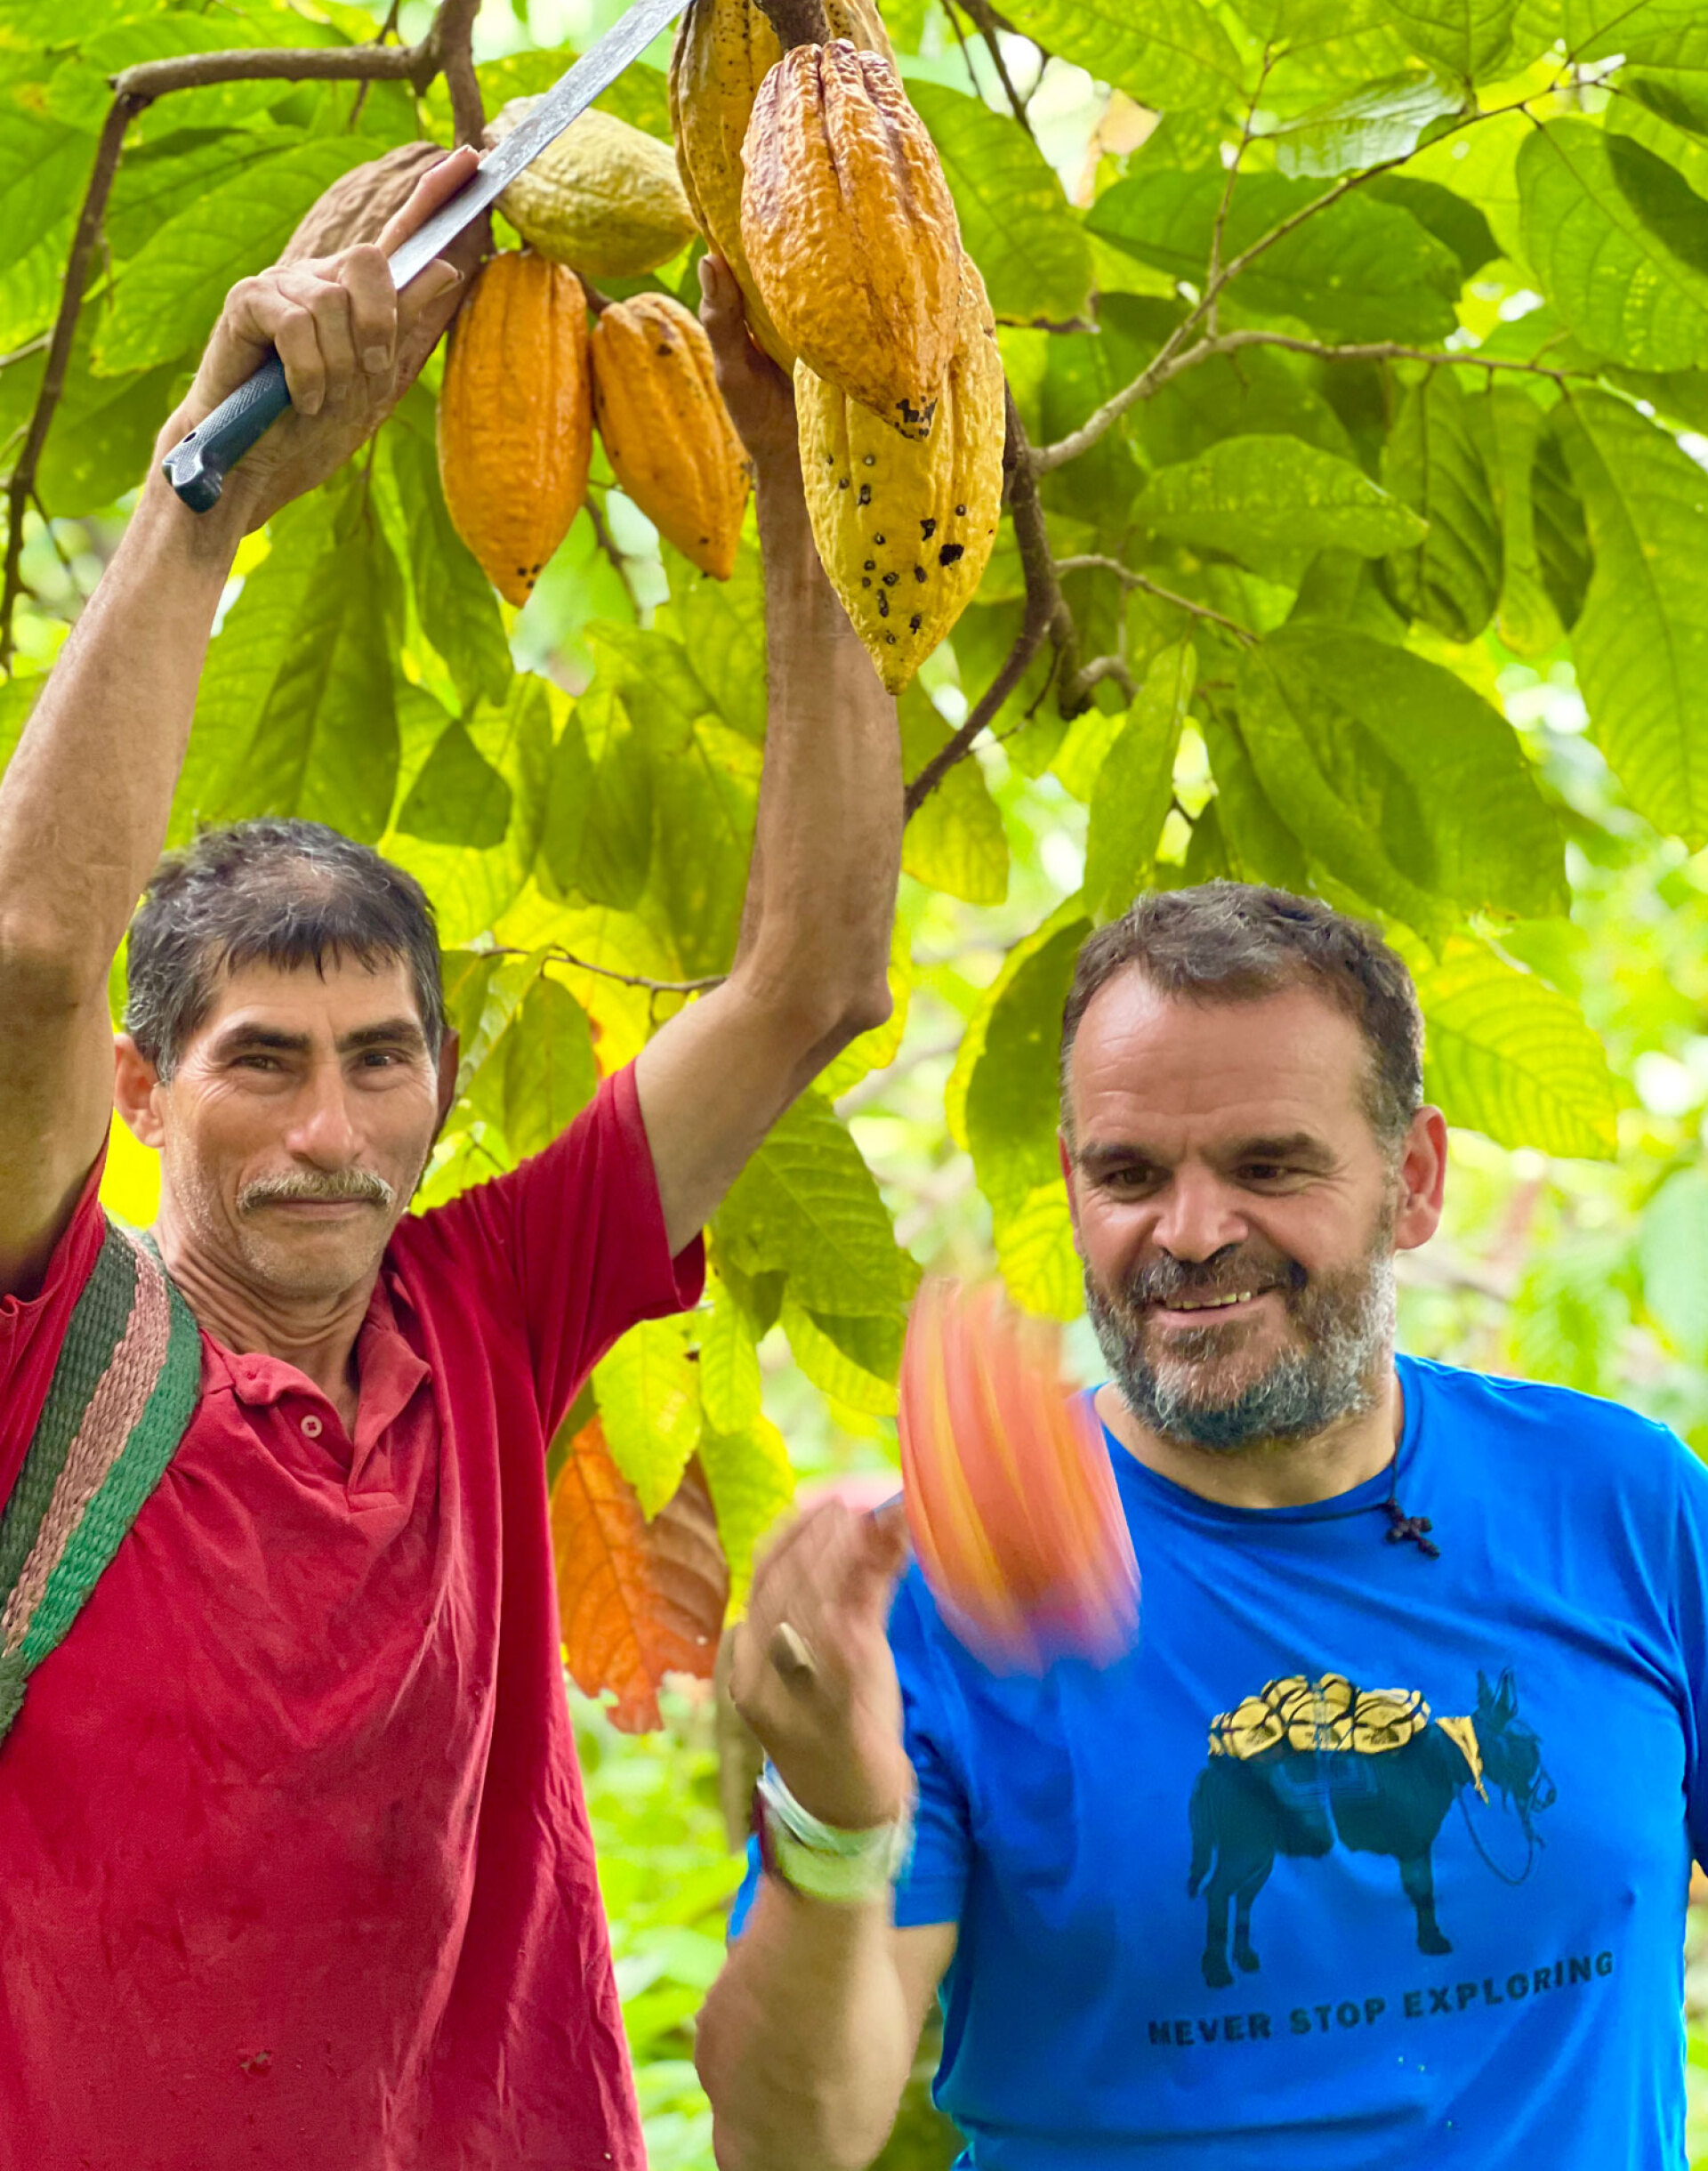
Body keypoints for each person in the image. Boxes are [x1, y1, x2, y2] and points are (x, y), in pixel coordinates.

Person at [0, 149, 902, 2170]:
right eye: (263, 1064)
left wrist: (796, 450)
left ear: (434, 1079)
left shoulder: (489, 1300)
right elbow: (36, 952)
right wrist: (209, 489)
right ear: (138, 1092)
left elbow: (817, 971)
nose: (330, 1131)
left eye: (380, 1059)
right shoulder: (45, 1333)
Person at [698, 883, 1708, 2170]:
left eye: (1266, 1167)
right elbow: (789, 2144)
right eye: (1129, 1175)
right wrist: (834, 1819)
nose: (1188, 1233)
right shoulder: (938, 1578)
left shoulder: (1621, 1502)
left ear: (1413, 1179)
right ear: (1072, 1187)